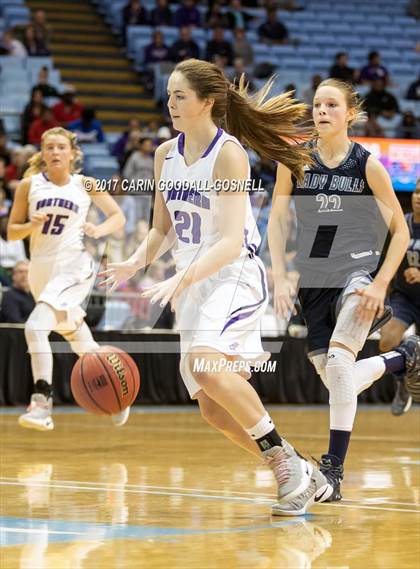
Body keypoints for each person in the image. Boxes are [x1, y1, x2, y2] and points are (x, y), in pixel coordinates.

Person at [99, 57, 334, 516]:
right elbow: (161, 230)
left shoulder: (229, 154)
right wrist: (132, 262)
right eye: (168, 95)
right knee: (211, 409)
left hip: (231, 276)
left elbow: (229, 241)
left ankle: (286, 463)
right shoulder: (165, 155)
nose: (170, 103)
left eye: (179, 95)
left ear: (207, 101)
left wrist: (181, 275)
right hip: (190, 286)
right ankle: (301, 470)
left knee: (205, 366)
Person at [268, 78, 419, 502]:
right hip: (312, 282)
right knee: (337, 379)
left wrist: (381, 283)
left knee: (339, 362)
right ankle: (403, 357)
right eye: (317, 104)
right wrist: (279, 273)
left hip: (359, 274)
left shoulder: (368, 165)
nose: (321, 111)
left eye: (331, 105)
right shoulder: (294, 161)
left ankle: (333, 473)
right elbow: (277, 221)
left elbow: (401, 231)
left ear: (350, 113)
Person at [7, 127, 126, 431]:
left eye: (61, 147)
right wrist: (29, 225)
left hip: (74, 266)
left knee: (35, 328)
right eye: (49, 148)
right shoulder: (28, 185)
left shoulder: (84, 184)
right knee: (76, 335)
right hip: (40, 270)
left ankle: (41, 404)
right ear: (43, 153)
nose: (55, 152)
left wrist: (98, 230)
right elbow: (11, 232)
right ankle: (120, 394)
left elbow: (118, 217)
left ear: (72, 153)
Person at [379, 180, 420, 415]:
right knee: (386, 341)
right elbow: (389, 263)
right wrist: (382, 298)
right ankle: (402, 384)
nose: (418, 197)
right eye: (416, 192)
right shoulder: (401, 225)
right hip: (404, 297)